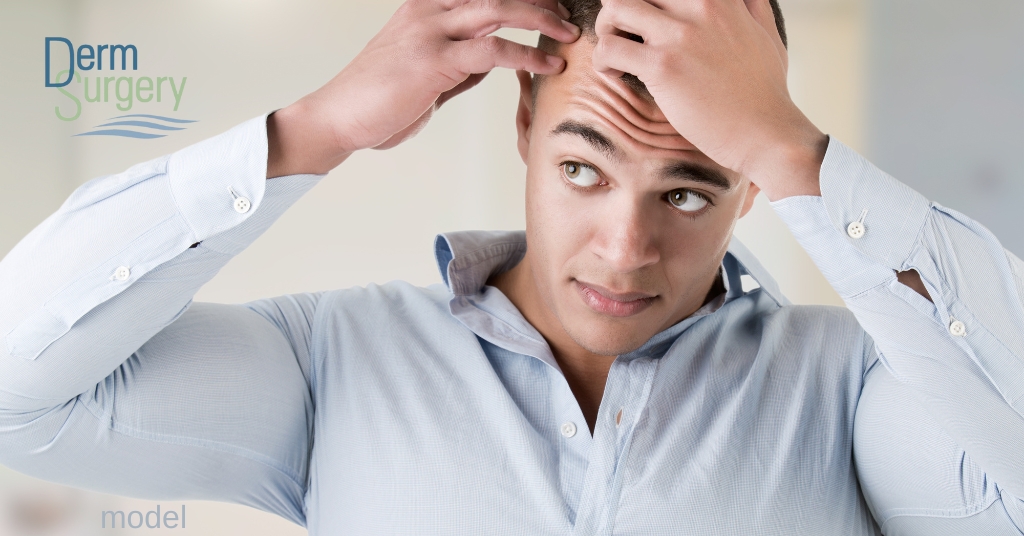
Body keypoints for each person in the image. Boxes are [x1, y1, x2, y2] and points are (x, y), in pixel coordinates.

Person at [1, 0, 1022, 533]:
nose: (624, 248)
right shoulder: (332, 362)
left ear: (749, 185)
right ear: (525, 119)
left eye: (688, 190)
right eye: (583, 166)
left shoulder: (852, 384)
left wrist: (800, 155)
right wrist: (314, 128)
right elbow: (16, 387)